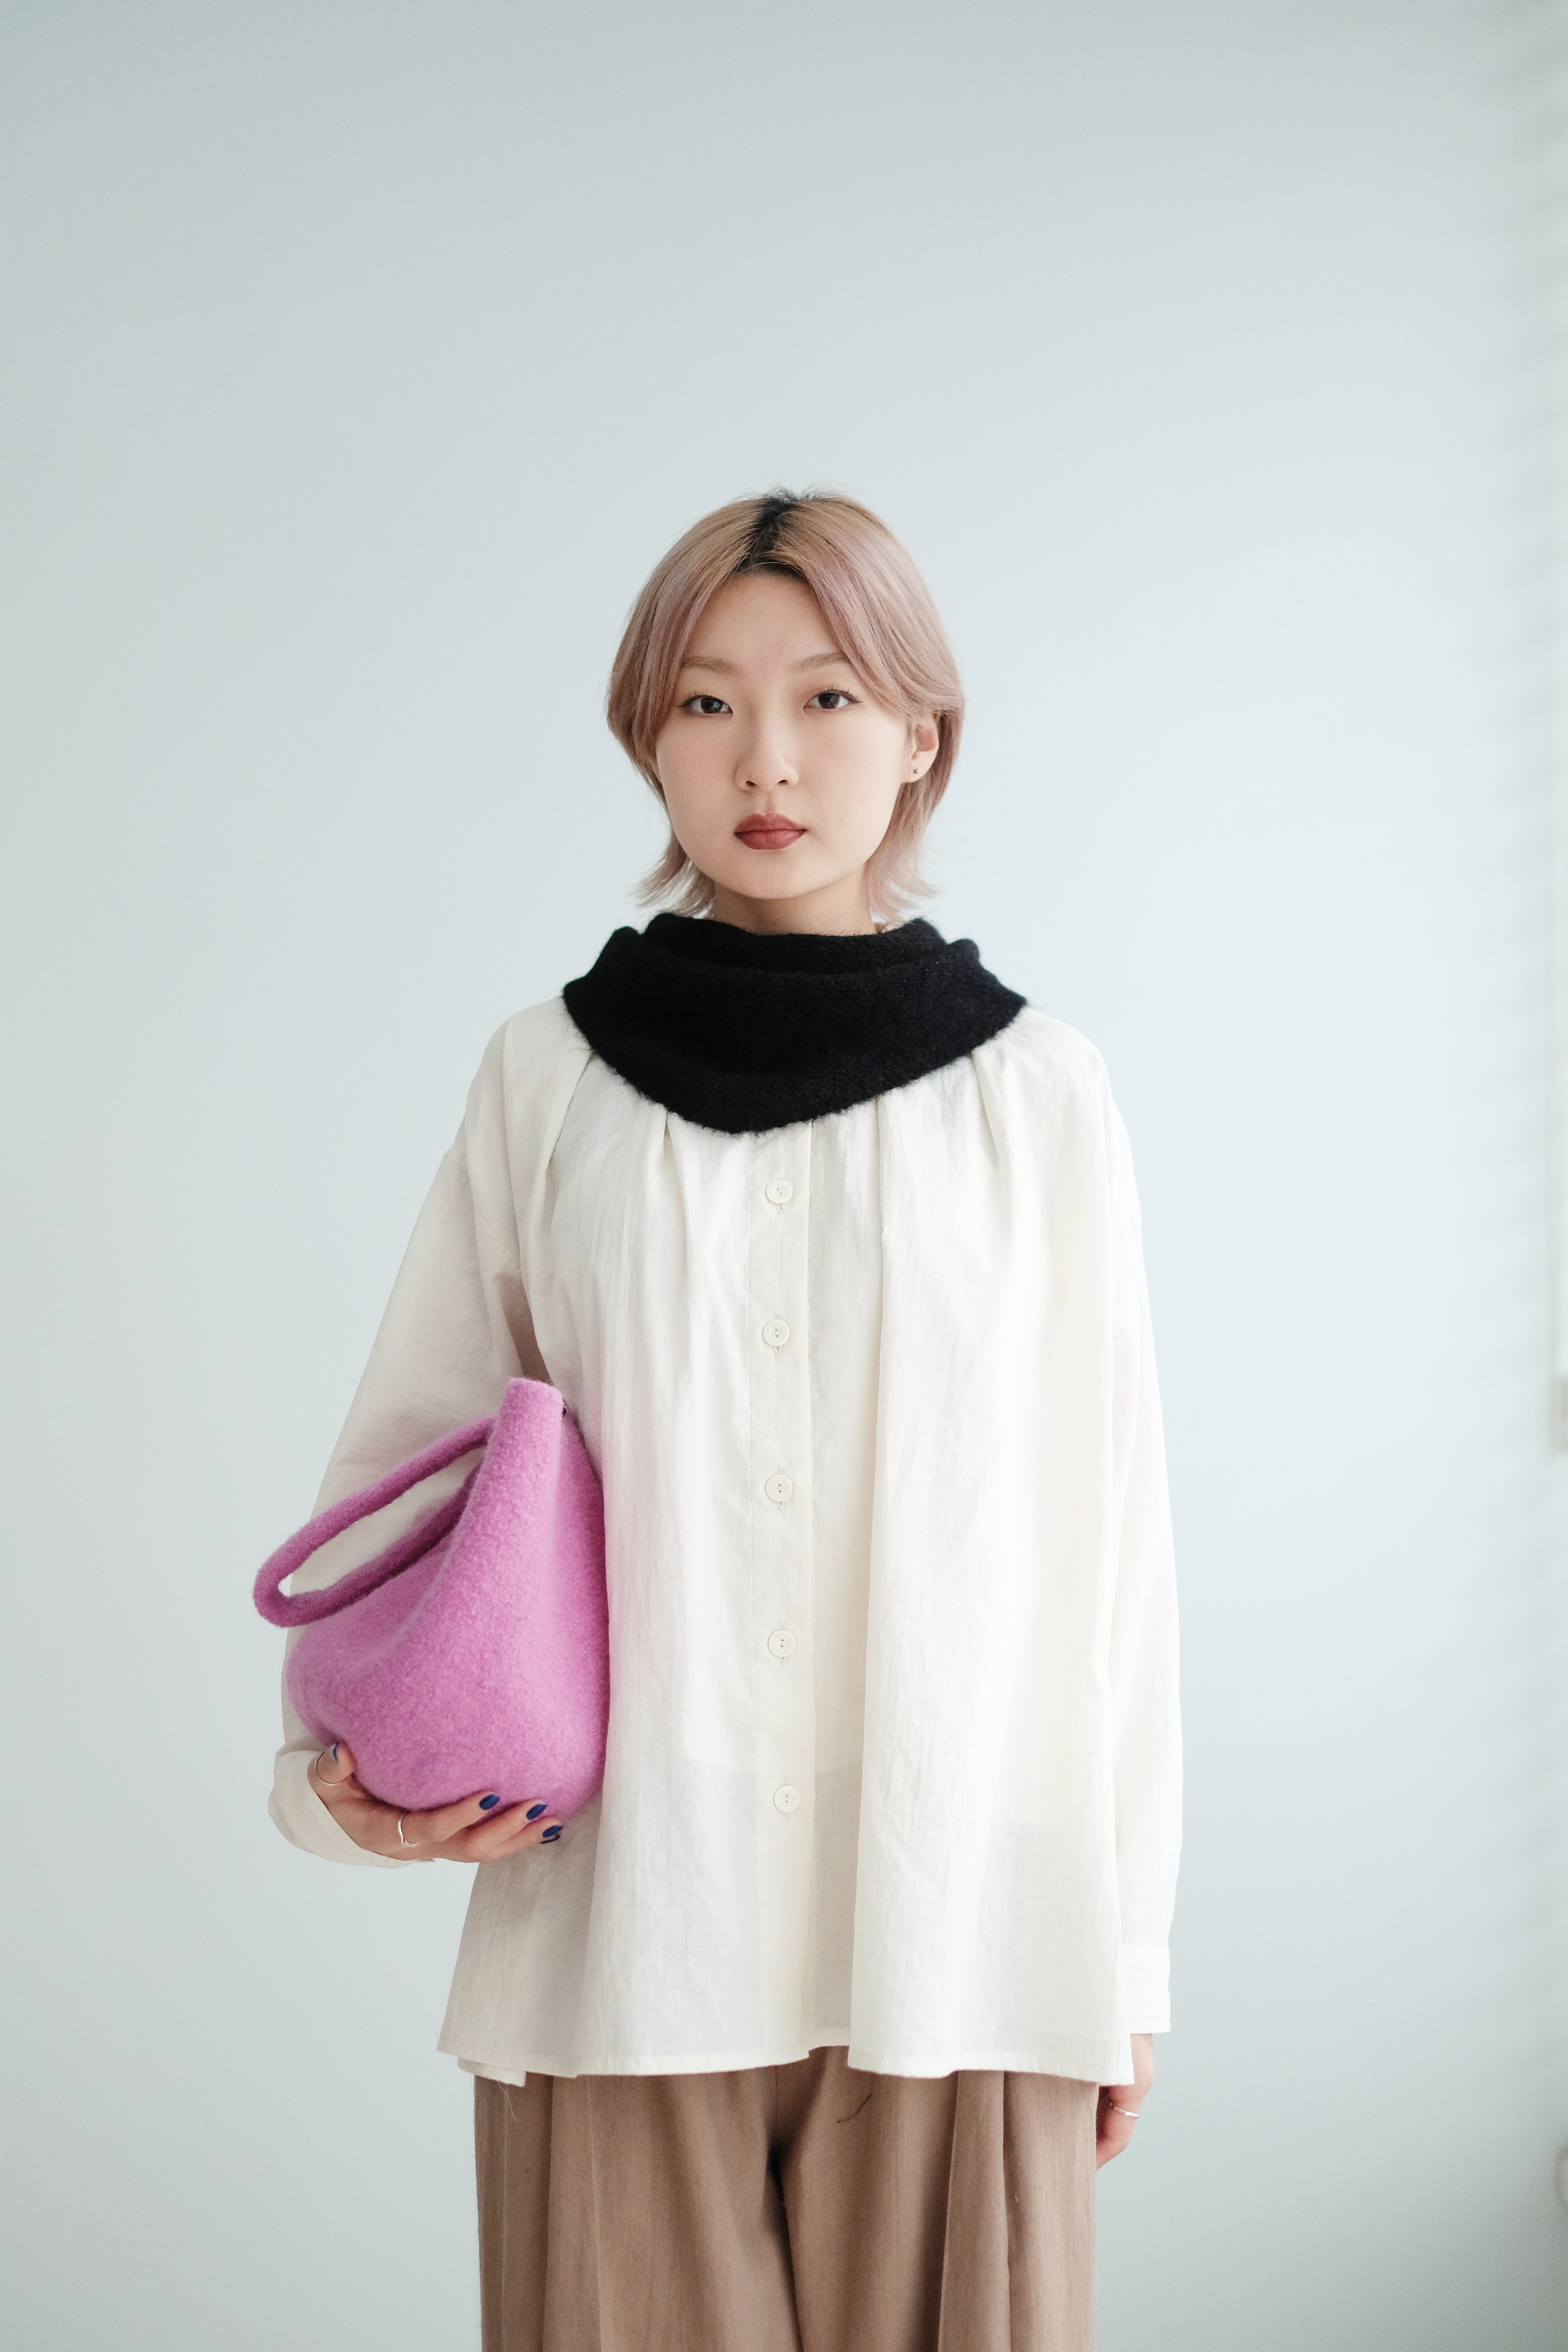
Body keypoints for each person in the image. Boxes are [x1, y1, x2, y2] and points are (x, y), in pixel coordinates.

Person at [267, 490, 1181, 2352]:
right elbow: (406, 1488)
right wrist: (336, 1780)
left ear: (921, 733)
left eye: (830, 696)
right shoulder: (548, 1080)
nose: (767, 758)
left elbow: (1116, 1554)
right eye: (706, 703)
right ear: (648, 739)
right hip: (622, 1930)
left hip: (959, 1927)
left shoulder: (1039, 1097)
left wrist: (1131, 1956)